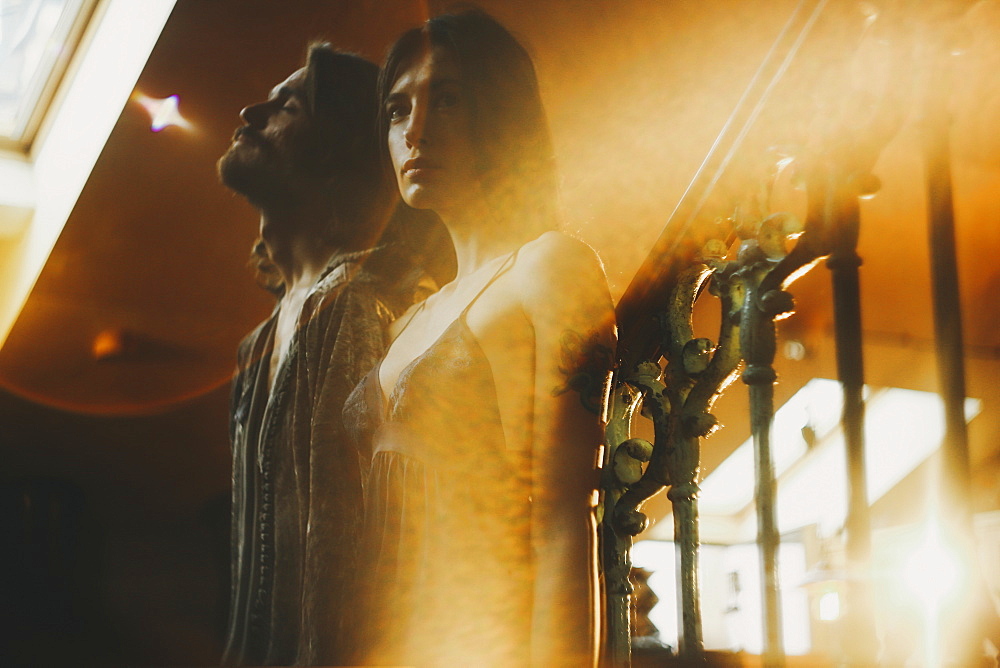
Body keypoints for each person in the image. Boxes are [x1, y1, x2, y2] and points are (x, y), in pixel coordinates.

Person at [344, 10, 616, 667]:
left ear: (502, 110)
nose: (415, 130)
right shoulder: (409, 318)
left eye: (449, 99)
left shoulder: (548, 267)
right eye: (396, 108)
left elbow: (562, 521)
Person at [217, 43, 449, 666]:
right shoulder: (258, 344)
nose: (250, 111)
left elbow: (391, 549)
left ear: (343, 148)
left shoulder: (375, 304)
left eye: (287, 104)